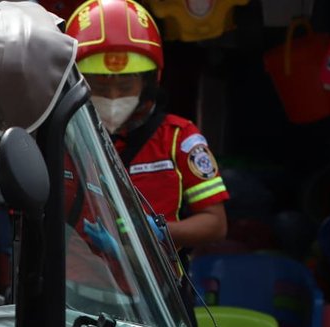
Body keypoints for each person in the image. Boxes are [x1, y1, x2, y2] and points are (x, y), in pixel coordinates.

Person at [65, 0, 229, 250]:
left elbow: (216, 224)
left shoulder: (180, 138)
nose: (113, 96)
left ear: (148, 82)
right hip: (77, 283)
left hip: (155, 287)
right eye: (99, 85)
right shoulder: (64, 136)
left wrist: (156, 231)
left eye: (125, 86)